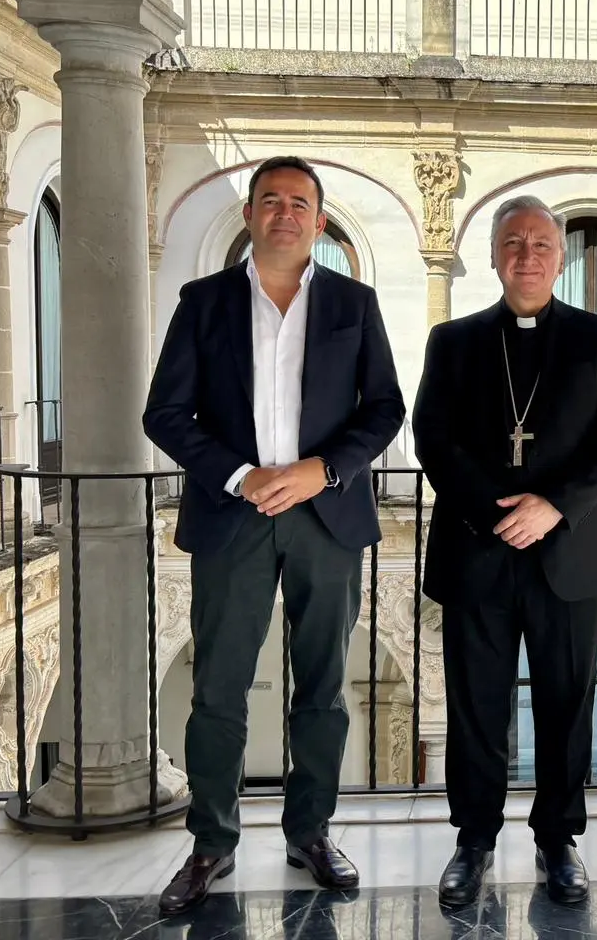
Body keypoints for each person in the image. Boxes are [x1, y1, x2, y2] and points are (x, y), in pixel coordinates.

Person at [143, 156, 405, 915]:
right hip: (234, 518)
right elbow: (164, 413)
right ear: (251, 215)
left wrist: (324, 470)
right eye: (270, 200)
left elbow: (384, 409)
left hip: (327, 518)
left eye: (299, 202)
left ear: (319, 222)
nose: (284, 212)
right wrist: (241, 476)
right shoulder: (204, 302)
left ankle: (311, 832)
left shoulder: (355, 303)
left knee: (323, 686)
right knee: (219, 688)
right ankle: (211, 843)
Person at [413, 195, 597, 908]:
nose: (527, 256)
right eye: (513, 243)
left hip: (569, 552)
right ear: (492, 255)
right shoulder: (453, 342)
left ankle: (557, 840)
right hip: (478, 550)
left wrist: (553, 508)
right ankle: (474, 839)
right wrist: (492, 512)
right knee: (477, 704)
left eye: (541, 244)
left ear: (561, 256)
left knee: (567, 701)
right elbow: (432, 438)